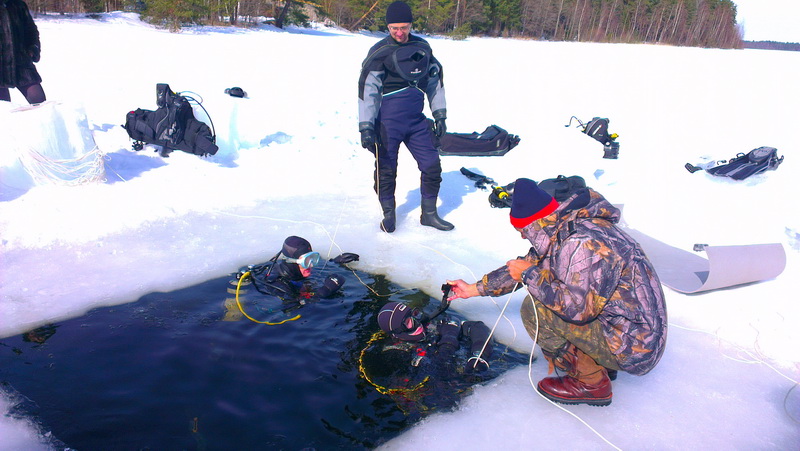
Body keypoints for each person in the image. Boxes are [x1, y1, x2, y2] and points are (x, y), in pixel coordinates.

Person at [446, 178, 667, 406]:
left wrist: (529, 275)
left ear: (534, 225)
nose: (523, 237)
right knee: (547, 286)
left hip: (635, 347)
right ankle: (600, 364)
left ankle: (591, 383)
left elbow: (577, 311)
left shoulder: (580, 243)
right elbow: (529, 262)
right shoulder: (569, 227)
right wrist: (472, 289)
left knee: (537, 311)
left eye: (522, 230)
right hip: (627, 329)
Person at [357, 0, 453, 233]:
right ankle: (389, 214)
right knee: (386, 169)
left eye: (404, 27)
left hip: (416, 121)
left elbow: (434, 80)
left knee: (432, 165)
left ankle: (429, 214)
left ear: (410, 25)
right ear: (387, 27)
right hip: (387, 123)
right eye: (394, 28)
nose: (399, 33)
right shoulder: (380, 52)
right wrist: (366, 126)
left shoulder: (422, 47)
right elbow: (367, 90)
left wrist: (439, 114)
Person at [376, 300, 494, 373]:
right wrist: (448, 341)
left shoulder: (429, 328)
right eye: (408, 322)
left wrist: (479, 355)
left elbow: (478, 327)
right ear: (398, 332)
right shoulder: (397, 355)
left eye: (415, 314)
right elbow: (439, 374)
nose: (417, 322)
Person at [1, 0, 46, 104]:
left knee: (39, 101)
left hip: (21, 62)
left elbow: (31, 30)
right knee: (3, 109)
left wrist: (33, 48)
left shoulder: (18, 4)